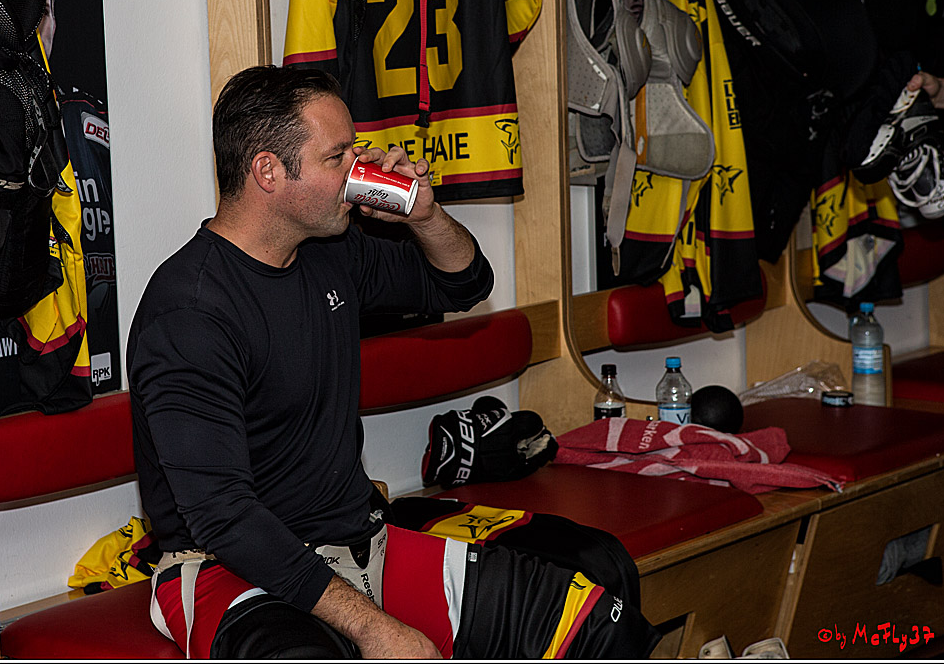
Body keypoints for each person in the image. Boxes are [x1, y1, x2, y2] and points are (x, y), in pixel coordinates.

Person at [127, 65, 658, 659]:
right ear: (268, 172)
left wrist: (425, 216)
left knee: (596, 620)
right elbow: (225, 518)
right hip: (229, 569)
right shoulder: (190, 312)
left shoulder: (331, 250)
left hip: (358, 545)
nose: (359, 172)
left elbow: (464, 283)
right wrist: (373, 626)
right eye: (338, 157)